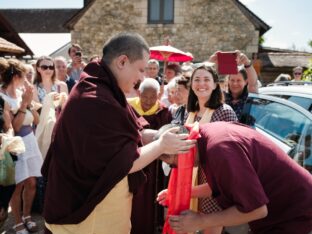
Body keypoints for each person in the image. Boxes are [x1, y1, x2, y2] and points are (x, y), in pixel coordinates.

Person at [41, 32, 196, 234]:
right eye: (140, 69)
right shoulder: (94, 98)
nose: (142, 78)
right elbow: (126, 162)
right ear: (122, 61)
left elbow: (134, 131)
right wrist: (161, 145)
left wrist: (161, 136)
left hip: (105, 206)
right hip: (88, 216)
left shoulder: (104, 88)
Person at [157, 122, 312, 234]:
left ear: (183, 145)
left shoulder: (220, 149)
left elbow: (256, 210)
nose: (175, 169)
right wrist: (184, 192)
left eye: (173, 164)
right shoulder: (203, 136)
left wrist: (201, 221)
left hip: (294, 212)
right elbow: (225, 184)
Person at [0, 58, 43, 234]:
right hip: (15, 145)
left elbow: (37, 120)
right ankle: (17, 222)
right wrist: (24, 103)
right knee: (17, 184)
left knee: (32, 182)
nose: (27, 79)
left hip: (30, 142)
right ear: (16, 76)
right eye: (24, 76)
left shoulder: (21, 93)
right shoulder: (2, 97)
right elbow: (14, 127)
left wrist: (29, 101)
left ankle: (27, 215)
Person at [128, 78, 172, 233]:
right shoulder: (129, 107)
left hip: (154, 164)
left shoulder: (163, 111)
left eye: (153, 97)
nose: (148, 101)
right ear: (138, 93)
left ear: (158, 95)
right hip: (133, 159)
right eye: (144, 96)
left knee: (150, 197)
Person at [209, 51, 258, 121]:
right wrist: (210, 63)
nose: (235, 83)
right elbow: (207, 85)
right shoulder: (221, 96)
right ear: (228, 81)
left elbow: (253, 84)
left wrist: (247, 63)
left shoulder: (249, 98)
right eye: (232, 80)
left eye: (238, 80)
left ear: (245, 82)